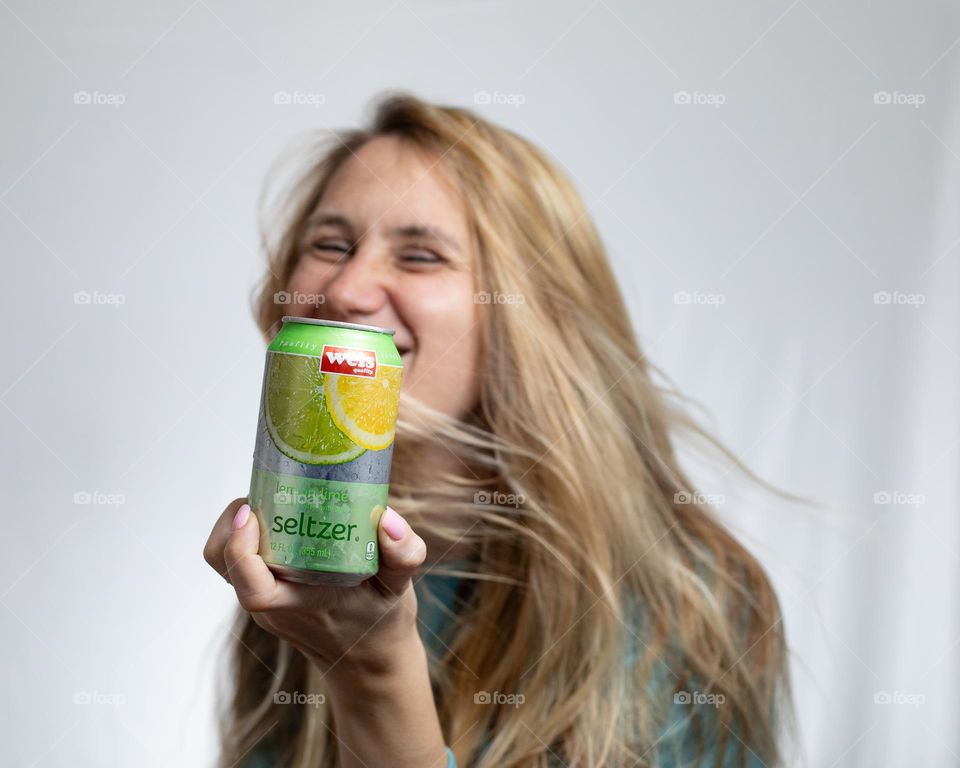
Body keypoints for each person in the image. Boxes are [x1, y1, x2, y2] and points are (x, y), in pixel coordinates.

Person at [203, 92, 792, 767]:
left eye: (421, 256)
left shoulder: (685, 607)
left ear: (529, 315)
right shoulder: (298, 592)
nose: (346, 287)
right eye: (330, 244)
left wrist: (373, 676)